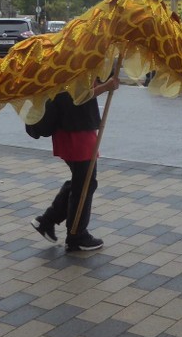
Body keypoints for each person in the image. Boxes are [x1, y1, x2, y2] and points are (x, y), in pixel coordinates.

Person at [31, 74, 119, 251]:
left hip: (76, 128)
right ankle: (76, 235)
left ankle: (47, 221)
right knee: (85, 183)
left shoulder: (79, 57)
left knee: (83, 181)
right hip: (74, 130)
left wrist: (102, 82)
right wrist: (105, 87)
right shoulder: (74, 60)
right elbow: (75, 96)